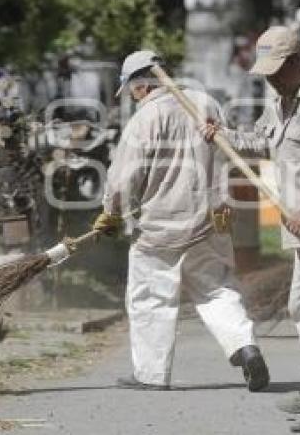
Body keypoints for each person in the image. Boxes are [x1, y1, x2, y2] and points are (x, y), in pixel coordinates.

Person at [201, 26, 300, 433]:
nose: (270, 77)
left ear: (298, 60)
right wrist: (223, 137)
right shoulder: (282, 100)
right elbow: (259, 142)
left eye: (277, 69)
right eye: (266, 71)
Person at [93, 49, 270, 392]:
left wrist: (110, 213)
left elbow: (123, 178)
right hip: (210, 219)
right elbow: (227, 145)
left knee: (151, 298)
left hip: (160, 229)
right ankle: (245, 347)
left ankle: (151, 374)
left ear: (141, 85)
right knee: (217, 289)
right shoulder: (206, 103)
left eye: (130, 88)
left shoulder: (144, 120)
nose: (131, 95)